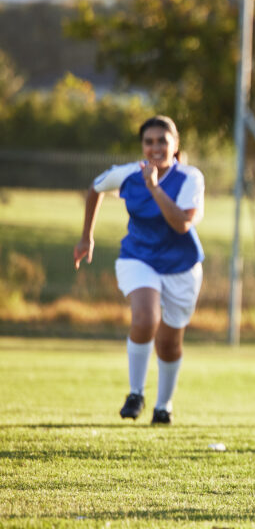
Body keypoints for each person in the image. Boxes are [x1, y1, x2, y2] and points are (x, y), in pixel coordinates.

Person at [74, 115, 205, 425]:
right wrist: (86, 237)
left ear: (176, 146)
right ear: (142, 146)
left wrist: (155, 188)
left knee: (170, 343)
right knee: (146, 317)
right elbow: (95, 189)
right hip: (138, 258)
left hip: (181, 267)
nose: (156, 147)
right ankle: (135, 393)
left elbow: (181, 223)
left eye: (163, 141)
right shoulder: (128, 174)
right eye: (149, 141)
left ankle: (163, 407)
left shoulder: (190, 178)